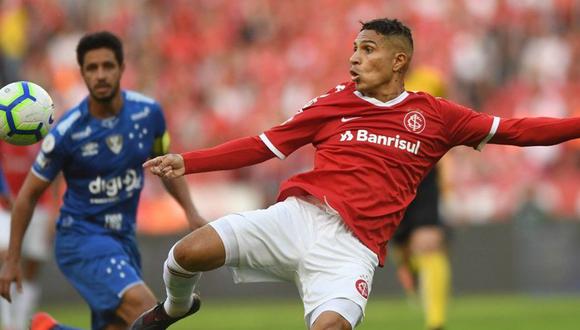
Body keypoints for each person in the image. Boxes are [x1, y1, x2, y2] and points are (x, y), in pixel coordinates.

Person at [133, 18, 580, 330]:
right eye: (354, 49)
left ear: (399, 60)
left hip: (353, 248)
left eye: (368, 50)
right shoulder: (334, 102)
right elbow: (266, 144)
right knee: (187, 253)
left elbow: (519, 130)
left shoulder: (437, 115)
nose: (354, 58)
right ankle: (176, 308)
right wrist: (190, 162)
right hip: (297, 218)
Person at [0, 31, 205, 330]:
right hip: (81, 239)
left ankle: (49, 329)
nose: (101, 75)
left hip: (123, 239)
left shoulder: (149, 114)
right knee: (148, 313)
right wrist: (12, 259)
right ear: (82, 74)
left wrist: (191, 211)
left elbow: (165, 164)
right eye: (92, 68)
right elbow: (28, 196)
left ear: (121, 69)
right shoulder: (67, 133)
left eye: (107, 66)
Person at [390, 66, 450, 330]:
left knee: (428, 242)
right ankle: (411, 269)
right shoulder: (368, 86)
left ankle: (436, 322)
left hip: (423, 170)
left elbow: (448, 116)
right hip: (388, 173)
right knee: (401, 247)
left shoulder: (430, 80)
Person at [0, 142, 54, 330]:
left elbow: (56, 171)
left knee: (32, 265)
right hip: (6, 205)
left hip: (40, 205)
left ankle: (22, 322)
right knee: (7, 256)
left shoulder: (44, 132)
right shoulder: (4, 126)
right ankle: (8, 323)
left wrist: (54, 210)